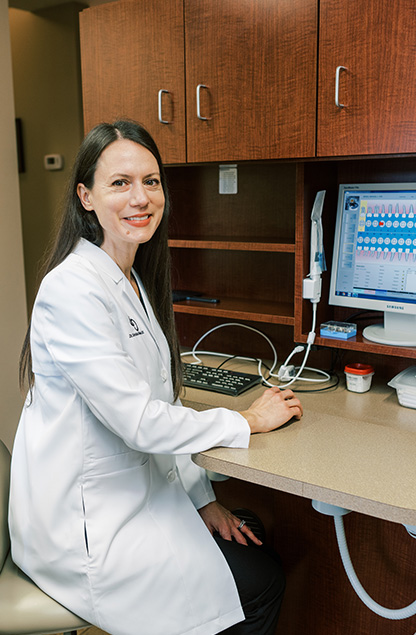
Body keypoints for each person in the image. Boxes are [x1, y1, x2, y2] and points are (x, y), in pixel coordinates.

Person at [9, 120, 303, 635]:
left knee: (249, 533)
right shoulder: (72, 289)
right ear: (86, 197)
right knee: (262, 582)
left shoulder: (131, 280)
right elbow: (142, 423)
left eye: (151, 181)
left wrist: (204, 500)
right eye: (120, 183)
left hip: (130, 498)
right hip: (86, 532)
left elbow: (162, 404)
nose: (140, 197)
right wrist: (248, 420)